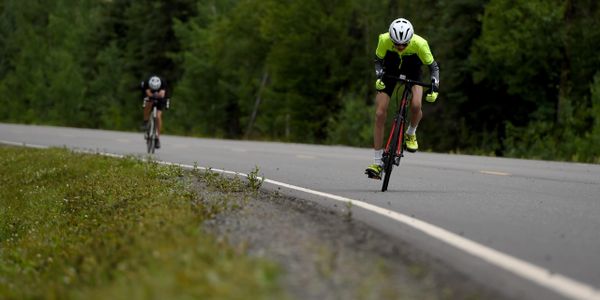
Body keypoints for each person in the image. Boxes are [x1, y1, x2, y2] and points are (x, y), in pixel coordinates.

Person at [365, 18, 440, 180]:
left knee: (416, 104)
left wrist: (435, 87)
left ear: (410, 39)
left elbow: (433, 67)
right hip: (390, 73)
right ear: (390, 39)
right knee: (379, 114)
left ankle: (410, 133)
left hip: (413, 73)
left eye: (404, 44)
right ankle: (377, 163)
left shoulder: (420, 43)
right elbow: (378, 61)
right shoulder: (383, 39)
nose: (400, 47)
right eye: (396, 44)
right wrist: (378, 77)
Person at [141, 75, 169, 149]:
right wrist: (151, 95)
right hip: (150, 96)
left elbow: (162, 94)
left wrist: (160, 96)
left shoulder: (163, 83)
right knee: (148, 104)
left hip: (160, 98)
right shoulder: (146, 82)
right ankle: (146, 120)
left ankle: (157, 137)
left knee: (158, 116)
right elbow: (147, 93)